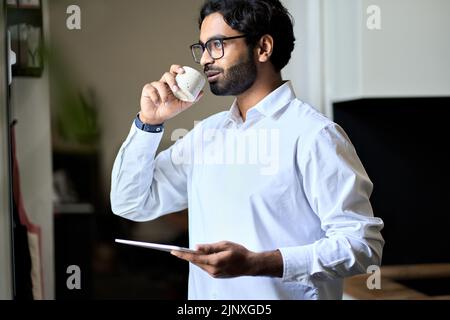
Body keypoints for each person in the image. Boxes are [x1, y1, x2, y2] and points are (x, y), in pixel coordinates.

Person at [111, 0, 384, 300]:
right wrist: (149, 123)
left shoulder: (315, 135)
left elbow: (362, 246)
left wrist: (259, 263)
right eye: (201, 48)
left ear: (263, 47)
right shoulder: (205, 134)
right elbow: (130, 203)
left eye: (216, 45)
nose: (203, 60)